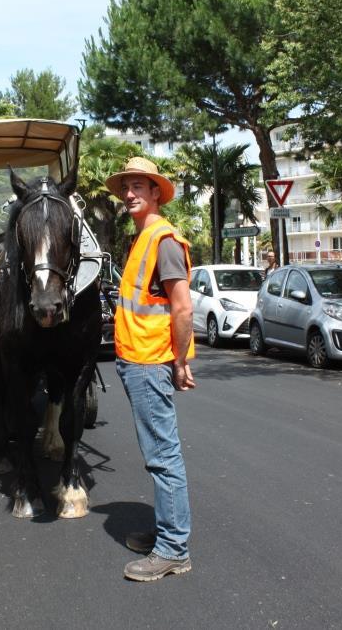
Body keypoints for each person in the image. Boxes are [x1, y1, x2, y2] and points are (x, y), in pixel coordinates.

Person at [105, 156, 195, 583]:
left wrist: (179, 362)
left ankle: (173, 549)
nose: (129, 194)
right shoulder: (142, 239)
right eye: (126, 187)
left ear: (156, 191)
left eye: (138, 186)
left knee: (163, 456)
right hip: (136, 358)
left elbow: (182, 308)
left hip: (149, 362)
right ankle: (167, 534)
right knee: (159, 453)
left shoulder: (163, 241)